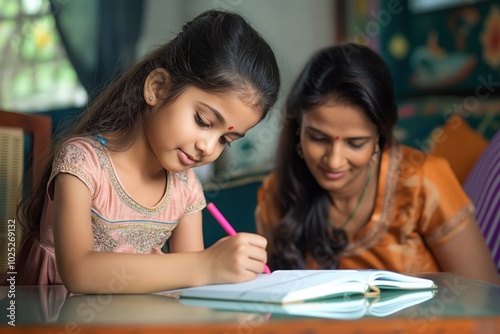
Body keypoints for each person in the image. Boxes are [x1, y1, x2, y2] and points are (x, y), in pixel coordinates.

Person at [1, 9, 280, 294]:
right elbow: (79, 273)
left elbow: (192, 286)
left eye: (225, 140)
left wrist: (218, 270)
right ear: (157, 88)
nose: (207, 147)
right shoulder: (82, 162)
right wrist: (206, 265)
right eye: (203, 121)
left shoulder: (185, 186)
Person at [255, 43, 500, 285]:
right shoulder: (279, 192)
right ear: (298, 129)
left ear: (379, 139)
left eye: (356, 143)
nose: (334, 160)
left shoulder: (423, 183)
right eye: (318, 138)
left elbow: (484, 300)